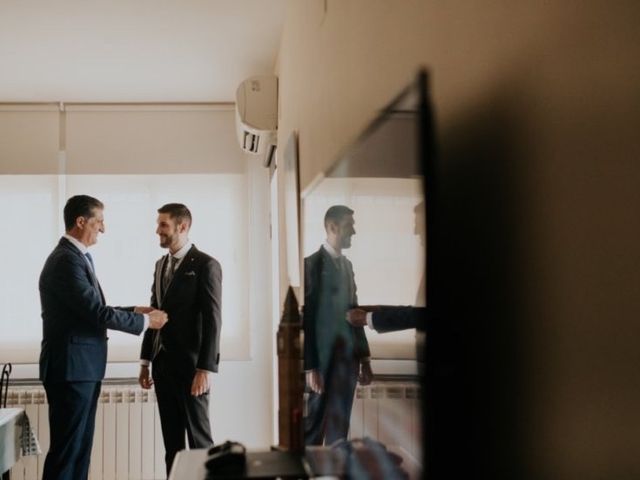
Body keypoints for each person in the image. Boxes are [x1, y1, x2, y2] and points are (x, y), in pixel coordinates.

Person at [39, 194, 168, 480]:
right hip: (72, 370)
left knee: (79, 451)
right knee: (67, 452)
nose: (103, 229)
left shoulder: (75, 258)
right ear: (81, 221)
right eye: (99, 221)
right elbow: (96, 312)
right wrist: (145, 321)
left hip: (81, 369)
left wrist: (134, 310)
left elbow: (87, 311)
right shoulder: (65, 261)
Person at [139, 203, 222, 475]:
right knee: (172, 447)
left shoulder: (206, 265)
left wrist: (205, 368)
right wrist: (145, 361)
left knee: (200, 443)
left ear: (182, 226)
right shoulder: (159, 264)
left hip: (192, 371)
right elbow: (154, 313)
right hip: (162, 368)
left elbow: (213, 320)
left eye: (163, 225)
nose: (157, 231)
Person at [303, 205, 373, 446]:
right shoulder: (310, 265)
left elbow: (356, 314)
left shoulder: (348, 266)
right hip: (321, 365)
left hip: (348, 362)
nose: (353, 231)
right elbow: (308, 319)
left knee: (339, 434)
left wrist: (364, 359)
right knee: (313, 428)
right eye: (349, 226)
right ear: (332, 227)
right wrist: (311, 366)